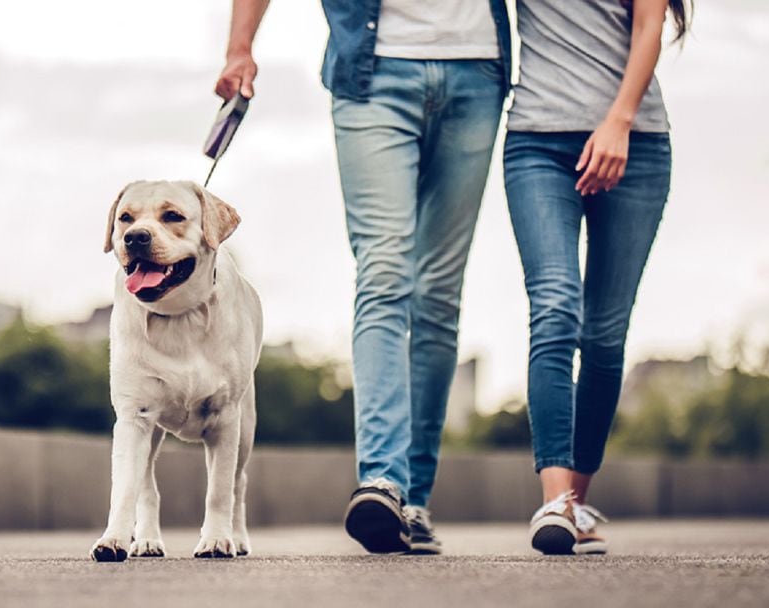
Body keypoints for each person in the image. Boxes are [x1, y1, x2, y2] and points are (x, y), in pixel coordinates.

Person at [215, 0, 512, 554]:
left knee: (439, 295)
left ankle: (415, 499)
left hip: (478, 70)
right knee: (383, 273)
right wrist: (239, 47)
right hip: (372, 72)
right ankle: (383, 480)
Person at [504, 0, 691, 555]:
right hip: (538, 142)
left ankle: (574, 506)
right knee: (556, 307)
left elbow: (650, 24)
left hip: (636, 144)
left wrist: (618, 120)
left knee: (605, 335)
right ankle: (555, 500)